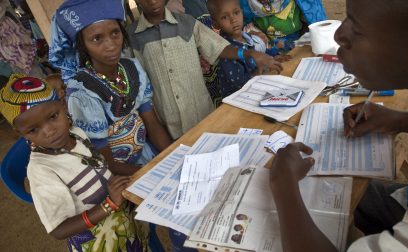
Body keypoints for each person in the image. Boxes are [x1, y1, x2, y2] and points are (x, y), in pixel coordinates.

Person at [270, 0, 408, 251]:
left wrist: (284, 186)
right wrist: (400, 120)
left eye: (358, 28)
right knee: (349, 191)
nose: (339, 35)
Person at [0, 74, 151, 251]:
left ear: (63, 106)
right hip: (99, 243)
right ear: (21, 133)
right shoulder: (41, 170)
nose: (49, 131)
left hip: (125, 225)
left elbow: (100, 166)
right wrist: (109, 205)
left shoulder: (77, 133)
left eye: (53, 117)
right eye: (34, 130)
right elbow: (58, 230)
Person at [128, 0, 283, 140]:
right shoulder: (132, 36)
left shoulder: (187, 23)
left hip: (203, 116)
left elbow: (219, 47)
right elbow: (140, 88)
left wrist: (249, 53)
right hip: (169, 125)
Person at [49, 0, 172, 176]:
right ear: (83, 45)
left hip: (146, 154)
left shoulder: (132, 68)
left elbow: (151, 122)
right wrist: (152, 173)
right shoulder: (83, 93)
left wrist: (172, 155)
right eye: (97, 38)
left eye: (115, 33)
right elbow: (105, 161)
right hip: (120, 173)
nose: (111, 45)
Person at [207, 0, 291, 98]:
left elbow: (259, 54)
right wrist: (264, 68)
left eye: (236, 13)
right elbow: (242, 84)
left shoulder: (246, 37)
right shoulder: (227, 51)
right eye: (225, 17)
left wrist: (273, 57)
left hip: (257, 89)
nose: (233, 19)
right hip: (238, 100)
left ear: (242, 12)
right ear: (216, 24)